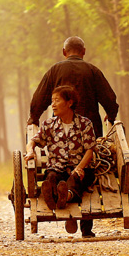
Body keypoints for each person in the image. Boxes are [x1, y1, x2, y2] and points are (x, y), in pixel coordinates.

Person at [27, 36, 119, 237]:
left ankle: (62, 201)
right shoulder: (93, 71)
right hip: (91, 132)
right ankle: (87, 228)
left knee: (73, 174)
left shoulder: (55, 70)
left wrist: (34, 116)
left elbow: (39, 97)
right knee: (89, 176)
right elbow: (110, 98)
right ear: (83, 52)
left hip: (63, 132)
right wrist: (110, 115)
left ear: (64, 52)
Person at [25, 85, 97, 235]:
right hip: (56, 169)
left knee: (75, 178)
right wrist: (30, 151)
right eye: (52, 101)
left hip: (80, 169)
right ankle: (53, 195)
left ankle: (64, 196)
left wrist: (80, 167)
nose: (53, 104)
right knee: (51, 177)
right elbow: (32, 141)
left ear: (69, 103)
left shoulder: (85, 124)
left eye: (57, 100)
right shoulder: (48, 125)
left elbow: (90, 150)